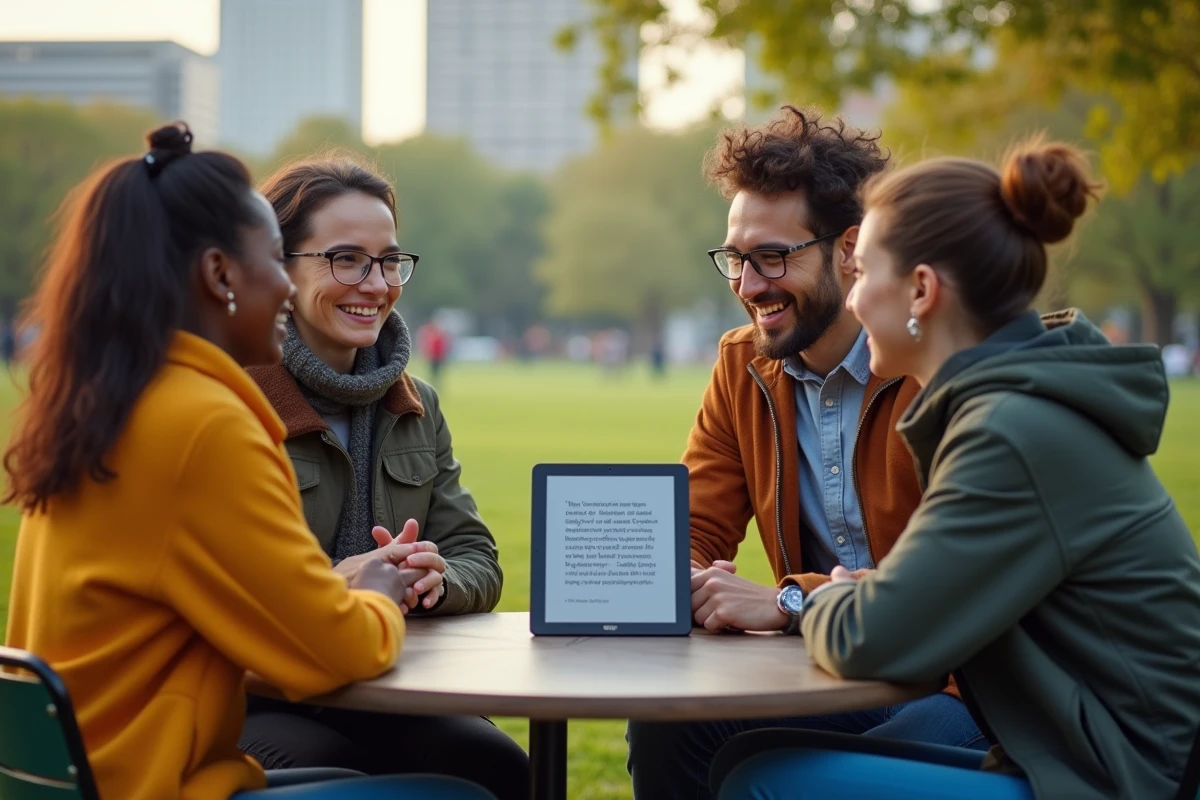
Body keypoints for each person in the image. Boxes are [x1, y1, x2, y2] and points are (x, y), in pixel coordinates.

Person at [2, 123, 494, 799]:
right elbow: (334, 648)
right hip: (154, 781)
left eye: (388, 261)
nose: (285, 292)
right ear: (219, 275)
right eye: (273, 260)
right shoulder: (204, 423)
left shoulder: (115, 400)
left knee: (477, 766)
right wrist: (379, 591)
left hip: (91, 774)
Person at [715, 141, 1200, 799]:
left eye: (867, 272)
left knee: (764, 783)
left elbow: (876, 636)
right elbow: (902, 606)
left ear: (921, 290)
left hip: (1122, 777)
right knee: (745, 758)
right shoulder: (1012, 408)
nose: (856, 302)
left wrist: (802, 598)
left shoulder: (1011, 433)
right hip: (1070, 751)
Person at [626, 105, 984, 799]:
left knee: (817, 775)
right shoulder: (744, 366)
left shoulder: (933, 365)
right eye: (735, 257)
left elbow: (947, 590)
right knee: (668, 723)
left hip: (961, 682)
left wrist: (790, 599)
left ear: (850, 250)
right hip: (834, 660)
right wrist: (677, 576)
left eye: (772, 257)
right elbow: (695, 528)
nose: (747, 284)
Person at [239, 156, 526, 800]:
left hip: (389, 683)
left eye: (389, 260)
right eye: (346, 258)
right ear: (280, 266)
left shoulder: (415, 402)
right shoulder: (234, 400)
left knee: (500, 767)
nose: (375, 283)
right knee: (340, 767)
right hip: (260, 694)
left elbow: (477, 557)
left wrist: (432, 578)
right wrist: (342, 587)